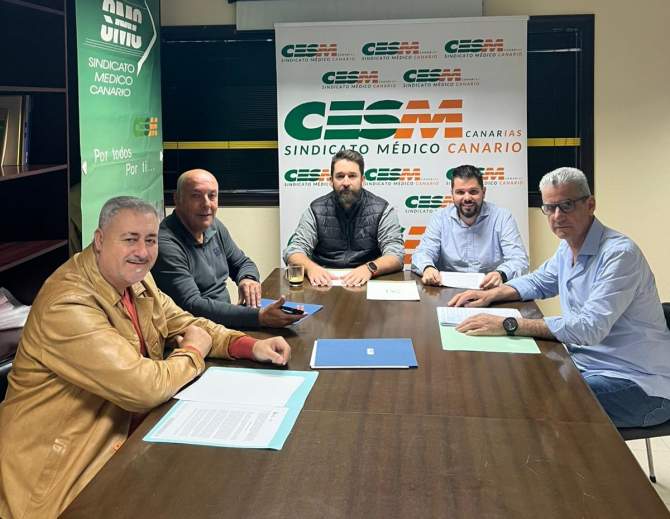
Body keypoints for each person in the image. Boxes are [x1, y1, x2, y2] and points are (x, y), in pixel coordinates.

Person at [0, 197, 291, 518]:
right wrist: (192, 351)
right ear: (99, 240)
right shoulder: (68, 304)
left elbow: (187, 323)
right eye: (130, 239)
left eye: (150, 240)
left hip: (129, 440)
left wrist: (249, 345)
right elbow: (143, 387)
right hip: (63, 476)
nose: (142, 251)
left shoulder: (136, 279)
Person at [449, 167, 670, 428]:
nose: (557, 216)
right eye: (550, 208)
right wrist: (489, 294)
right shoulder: (569, 246)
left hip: (638, 385)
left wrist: (509, 324)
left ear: (590, 205)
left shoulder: (619, 254)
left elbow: (589, 328)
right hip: (587, 366)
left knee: (534, 404)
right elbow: (539, 281)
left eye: (566, 206)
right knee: (519, 382)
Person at [152, 169, 303, 329]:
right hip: (195, 330)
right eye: (196, 196)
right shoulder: (165, 244)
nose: (206, 204)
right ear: (177, 199)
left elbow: (242, 263)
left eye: (212, 196)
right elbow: (192, 305)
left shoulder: (214, 226)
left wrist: (247, 279)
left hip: (226, 324)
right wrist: (258, 317)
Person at [283, 149, 404, 286]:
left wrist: (369, 268)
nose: (346, 182)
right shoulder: (316, 210)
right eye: (340, 176)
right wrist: (311, 268)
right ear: (331, 181)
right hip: (324, 282)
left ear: (362, 180)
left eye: (352, 176)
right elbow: (294, 250)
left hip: (368, 281)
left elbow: (396, 254)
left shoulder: (382, 210)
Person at [411, 164, 529, 289]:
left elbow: (519, 260)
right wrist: (428, 268)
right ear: (452, 194)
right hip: (447, 291)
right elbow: (422, 253)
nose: (467, 198)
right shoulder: (440, 218)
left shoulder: (502, 218)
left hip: (490, 290)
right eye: (460, 192)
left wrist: (501, 274)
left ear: (483, 192)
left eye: (473, 192)